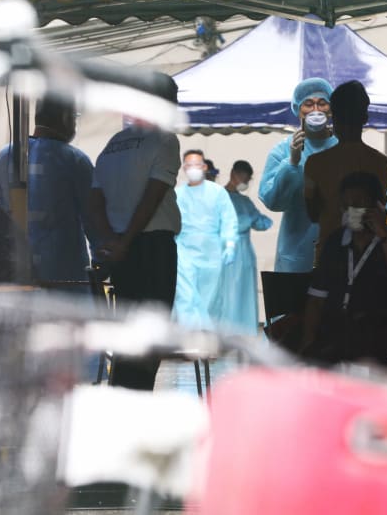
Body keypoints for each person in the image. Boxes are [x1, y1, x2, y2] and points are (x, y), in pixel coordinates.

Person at [90, 105, 181, 391]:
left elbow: (94, 198)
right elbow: (152, 197)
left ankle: (123, 397)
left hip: (121, 251)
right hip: (151, 247)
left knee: (128, 331)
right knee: (151, 333)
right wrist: (126, 240)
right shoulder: (165, 139)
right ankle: (138, 401)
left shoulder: (115, 143)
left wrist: (112, 242)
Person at [301, 172, 387, 364]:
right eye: (346, 205)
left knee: (357, 348)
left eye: (358, 203)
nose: (351, 209)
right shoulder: (335, 243)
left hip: (374, 334)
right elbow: (316, 300)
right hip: (333, 331)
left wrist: (384, 238)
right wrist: (307, 343)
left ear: (379, 205)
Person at [0, 96, 94, 283]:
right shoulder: (74, 160)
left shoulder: (4, 157)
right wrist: (102, 260)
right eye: (74, 117)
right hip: (64, 281)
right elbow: (94, 219)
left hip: (16, 276)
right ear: (65, 119)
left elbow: (1, 208)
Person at [304, 80, 387, 264]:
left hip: (328, 258)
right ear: (365, 118)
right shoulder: (382, 164)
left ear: (333, 118)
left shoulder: (315, 164)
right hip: (368, 259)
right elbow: (379, 210)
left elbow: (312, 214)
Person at [259, 78, 337, 272]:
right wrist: (292, 163)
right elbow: (273, 201)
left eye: (322, 103)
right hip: (296, 254)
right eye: (308, 104)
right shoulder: (282, 151)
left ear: (331, 109)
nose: (315, 110)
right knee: (293, 302)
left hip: (337, 252)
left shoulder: (345, 148)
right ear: (298, 109)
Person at [173, 149, 238, 329]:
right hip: (184, 250)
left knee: (210, 297)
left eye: (197, 165)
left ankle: (208, 337)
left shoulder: (217, 192)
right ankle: (190, 338)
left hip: (212, 252)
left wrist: (230, 244)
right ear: (184, 168)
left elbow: (228, 220)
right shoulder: (177, 194)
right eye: (189, 165)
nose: (193, 169)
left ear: (204, 167)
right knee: (186, 296)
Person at [218, 160, 273, 334]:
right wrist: (246, 221)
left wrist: (255, 220)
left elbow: (262, 222)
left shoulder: (245, 201)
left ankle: (244, 333)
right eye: (245, 178)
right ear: (234, 174)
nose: (246, 183)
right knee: (226, 294)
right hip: (224, 252)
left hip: (245, 255)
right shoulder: (218, 197)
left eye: (248, 180)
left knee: (244, 294)